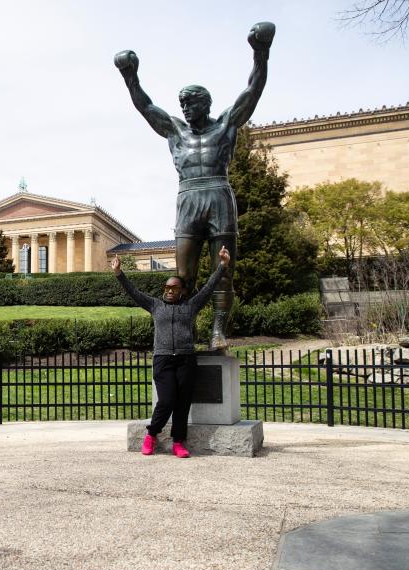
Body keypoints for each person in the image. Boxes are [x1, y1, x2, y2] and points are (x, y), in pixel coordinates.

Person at [113, 22, 274, 349]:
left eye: (190, 102)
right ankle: (185, 328)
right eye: (182, 103)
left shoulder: (226, 124)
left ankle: (218, 331)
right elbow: (145, 106)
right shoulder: (175, 130)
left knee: (223, 271)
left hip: (218, 195)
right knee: (182, 275)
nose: (184, 107)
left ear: (206, 103)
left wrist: (261, 52)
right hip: (188, 198)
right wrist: (130, 76)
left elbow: (252, 91)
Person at [112, 246, 230, 457]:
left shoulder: (191, 306)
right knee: (166, 401)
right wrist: (119, 273)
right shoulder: (155, 306)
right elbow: (134, 293)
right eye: (167, 287)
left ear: (182, 291)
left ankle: (178, 442)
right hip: (163, 359)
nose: (169, 290)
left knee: (183, 403)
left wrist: (222, 265)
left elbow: (208, 288)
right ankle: (152, 434)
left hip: (186, 359)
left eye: (174, 288)